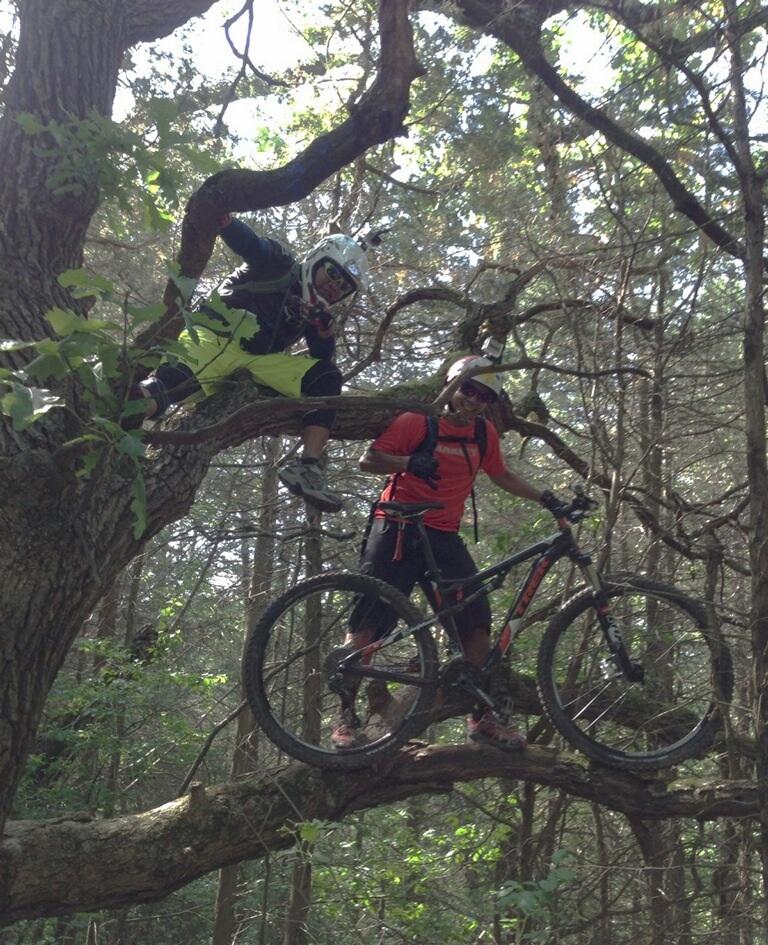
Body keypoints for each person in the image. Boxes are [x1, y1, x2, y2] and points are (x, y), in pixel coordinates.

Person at [333, 354, 566, 750]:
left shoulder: (483, 433)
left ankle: (483, 717)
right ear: (451, 386)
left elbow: (501, 474)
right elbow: (368, 460)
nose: (473, 400)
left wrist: (546, 497)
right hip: (397, 528)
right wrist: (411, 462)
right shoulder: (417, 421)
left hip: (442, 534)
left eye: (483, 396)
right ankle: (345, 719)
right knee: (367, 628)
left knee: (475, 625)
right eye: (467, 390)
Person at [131, 215, 370, 513]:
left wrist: (323, 332)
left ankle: (308, 467)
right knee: (174, 382)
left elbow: (320, 360)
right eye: (332, 275)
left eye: (343, 287)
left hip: (258, 362)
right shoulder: (280, 264)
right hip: (214, 336)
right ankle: (127, 412)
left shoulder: (315, 312)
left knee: (326, 377)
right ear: (319, 260)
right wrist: (225, 219)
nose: (334, 287)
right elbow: (251, 245)